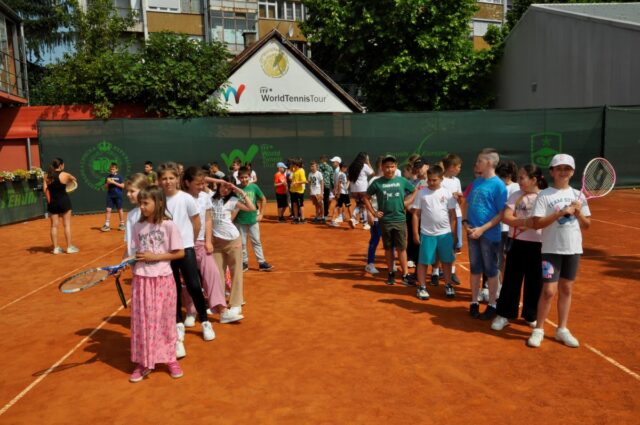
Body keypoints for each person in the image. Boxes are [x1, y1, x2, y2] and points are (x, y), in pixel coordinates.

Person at [527, 154, 591, 348]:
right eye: (559, 168)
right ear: (552, 172)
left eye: (567, 168)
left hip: (573, 249)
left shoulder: (579, 196)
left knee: (567, 288)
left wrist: (578, 213)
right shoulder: (544, 195)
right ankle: (539, 329)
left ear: (572, 172)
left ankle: (562, 329)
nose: (563, 172)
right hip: (551, 249)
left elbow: (587, 225)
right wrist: (560, 213)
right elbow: (537, 223)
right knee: (548, 291)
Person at [128, 185, 185, 383]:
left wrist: (155, 256)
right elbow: (135, 253)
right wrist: (126, 262)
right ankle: (144, 362)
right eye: (140, 203)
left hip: (163, 280)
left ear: (159, 202)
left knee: (165, 321)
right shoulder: (137, 226)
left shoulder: (169, 225)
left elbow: (180, 252)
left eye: (145, 203)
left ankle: (170, 359)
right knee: (143, 322)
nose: (142, 207)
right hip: (141, 280)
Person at [158, 163, 214, 359]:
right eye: (164, 178)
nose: (168, 181)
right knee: (172, 288)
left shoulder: (186, 198)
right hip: (166, 252)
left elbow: (196, 222)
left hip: (186, 249)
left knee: (193, 285)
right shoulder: (158, 199)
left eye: (171, 178)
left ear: (177, 179)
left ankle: (205, 322)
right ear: (159, 181)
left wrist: (188, 241)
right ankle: (178, 324)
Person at [491, 164, 547, 331]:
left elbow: (547, 220)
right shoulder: (516, 195)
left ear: (534, 180)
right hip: (517, 243)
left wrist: (533, 224)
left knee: (535, 281)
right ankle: (504, 314)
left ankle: (531, 315)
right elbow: (506, 217)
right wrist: (524, 222)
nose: (519, 180)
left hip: (540, 245)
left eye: (522, 177)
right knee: (511, 279)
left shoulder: (545, 196)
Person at [463, 148, 507, 320]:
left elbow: (501, 214)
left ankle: (492, 304)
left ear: (489, 162)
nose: (477, 163)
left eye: (479, 160)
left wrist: (481, 229)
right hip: (472, 233)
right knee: (475, 269)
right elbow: (467, 203)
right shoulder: (476, 182)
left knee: (491, 270)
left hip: (489, 235)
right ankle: (474, 302)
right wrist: (466, 223)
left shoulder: (499, 185)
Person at [181, 167, 227, 327]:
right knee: (189, 279)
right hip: (184, 245)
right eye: (198, 183)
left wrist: (208, 241)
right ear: (187, 182)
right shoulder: (180, 198)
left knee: (212, 274)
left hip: (201, 243)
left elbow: (208, 219)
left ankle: (222, 309)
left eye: (203, 183)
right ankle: (191, 311)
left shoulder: (205, 197)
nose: (202, 187)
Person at [363, 155, 417, 286]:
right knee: (388, 248)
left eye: (392, 166)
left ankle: (405, 274)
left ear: (396, 167)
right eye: (387, 167)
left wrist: (407, 202)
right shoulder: (377, 182)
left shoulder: (402, 181)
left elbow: (414, 190)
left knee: (401, 248)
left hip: (400, 220)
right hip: (385, 221)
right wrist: (374, 212)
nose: (390, 169)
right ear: (382, 167)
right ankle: (391, 273)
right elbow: (366, 197)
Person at [211, 176, 256, 322]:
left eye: (229, 188)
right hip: (216, 243)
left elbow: (252, 208)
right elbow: (202, 179)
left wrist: (240, 191)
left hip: (233, 240)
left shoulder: (233, 200)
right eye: (224, 186)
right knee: (217, 274)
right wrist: (219, 181)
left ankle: (236, 304)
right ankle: (220, 303)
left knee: (236, 272)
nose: (225, 189)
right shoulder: (210, 198)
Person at [411, 165, 458, 300]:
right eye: (429, 180)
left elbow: (452, 215)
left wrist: (453, 233)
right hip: (427, 234)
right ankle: (422, 287)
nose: (431, 182)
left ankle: (448, 285)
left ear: (441, 179)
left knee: (447, 261)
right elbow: (416, 214)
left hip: (445, 234)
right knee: (424, 261)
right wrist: (415, 233)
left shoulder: (447, 193)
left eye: (434, 180)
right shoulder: (422, 193)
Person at [235, 166, 273, 271]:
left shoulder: (254, 187)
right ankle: (244, 263)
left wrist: (261, 214)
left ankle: (261, 263)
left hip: (253, 220)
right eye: (242, 177)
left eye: (246, 177)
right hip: (240, 220)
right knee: (242, 243)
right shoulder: (236, 189)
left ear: (250, 177)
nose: (244, 179)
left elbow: (263, 199)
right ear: (238, 178)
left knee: (256, 241)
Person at [43, 157, 78, 254]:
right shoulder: (65, 174)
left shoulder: (46, 176)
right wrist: (68, 183)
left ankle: (55, 248)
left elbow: (45, 190)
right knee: (67, 225)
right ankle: (69, 247)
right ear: (61, 165)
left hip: (52, 203)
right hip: (64, 202)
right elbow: (74, 180)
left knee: (54, 226)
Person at [441, 154, 463, 285]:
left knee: (455, 244)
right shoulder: (440, 180)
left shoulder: (457, 181)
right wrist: (450, 195)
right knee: (442, 243)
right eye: (458, 167)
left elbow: (460, 200)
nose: (460, 169)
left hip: (457, 215)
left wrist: (459, 197)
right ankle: (439, 270)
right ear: (451, 167)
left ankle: (452, 271)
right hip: (443, 216)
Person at [496, 160, 521, 280]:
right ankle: (499, 284)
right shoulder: (497, 186)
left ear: (509, 175)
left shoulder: (516, 187)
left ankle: (506, 283)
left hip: (511, 229)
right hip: (498, 228)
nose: (500, 179)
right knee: (498, 257)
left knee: (510, 258)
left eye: (502, 176)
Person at [365, 156, 384, 274]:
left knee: (390, 241)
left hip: (388, 217)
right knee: (375, 240)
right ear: (381, 166)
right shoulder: (373, 180)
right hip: (376, 216)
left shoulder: (389, 180)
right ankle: (370, 264)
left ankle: (391, 263)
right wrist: (369, 213)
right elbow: (367, 198)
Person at [123, 173, 150, 258]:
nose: (128, 194)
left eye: (132, 191)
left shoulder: (151, 212)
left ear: (143, 191)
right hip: (135, 262)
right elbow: (130, 240)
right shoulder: (130, 215)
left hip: (147, 261)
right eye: (127, 191)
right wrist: (125, 257)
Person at [347, 152, 374, 229]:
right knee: (365, 205)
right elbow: (372, 173)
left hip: (354, 190)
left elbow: (349, 178)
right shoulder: (364, 166)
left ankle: (353, 218)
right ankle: (365, 224)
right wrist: (368, 163)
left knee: (359, 205)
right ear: (364, 158)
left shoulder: (351, 166)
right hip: (363, 189)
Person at [101, 162, 125, 232]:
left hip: (118, 195)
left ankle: (122, 224)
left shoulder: (120, 177)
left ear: (117, 169)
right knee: (108, 209)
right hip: (110, 196)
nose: (112, 170)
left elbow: (123, 186)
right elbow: (105, 187)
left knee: (119, 209)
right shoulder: (108, 177)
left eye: (113, 169)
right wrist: (108, 183)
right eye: (111, 169)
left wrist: (114, 182)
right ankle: (107, 225)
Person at [331, 163, 353, 227]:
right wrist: (338, 193)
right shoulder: (342, 174)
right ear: (342, 168)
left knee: (338, 206)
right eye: (345, 167)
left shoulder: (338, 174)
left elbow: (338, 183)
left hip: (342, 192)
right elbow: (340, 184)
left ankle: (333, 220)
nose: (346, 169)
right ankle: (352, 219)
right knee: (348, 205)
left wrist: (336, 190)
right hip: (343, 193)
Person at [289, 158, 307, 224]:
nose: (292, 165)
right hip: (293, 191)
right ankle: (296, 218)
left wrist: (296, 182)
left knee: (300, 205)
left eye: (293, 164)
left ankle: (302, 219)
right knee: (294, 204)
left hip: (299, 191)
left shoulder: (301, 171)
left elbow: (304, 181)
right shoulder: (294, 170)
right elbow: (290, 169)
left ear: (297, 165)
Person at [318, 155, 334, 221]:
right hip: (327, 186)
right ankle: (325, 215)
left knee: (319, 200)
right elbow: (332, 178)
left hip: (319, 186)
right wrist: (333, 187)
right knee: (326, 200)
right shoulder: (330, 167)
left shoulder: (318, 167)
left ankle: (320, 215)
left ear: (321, 160)